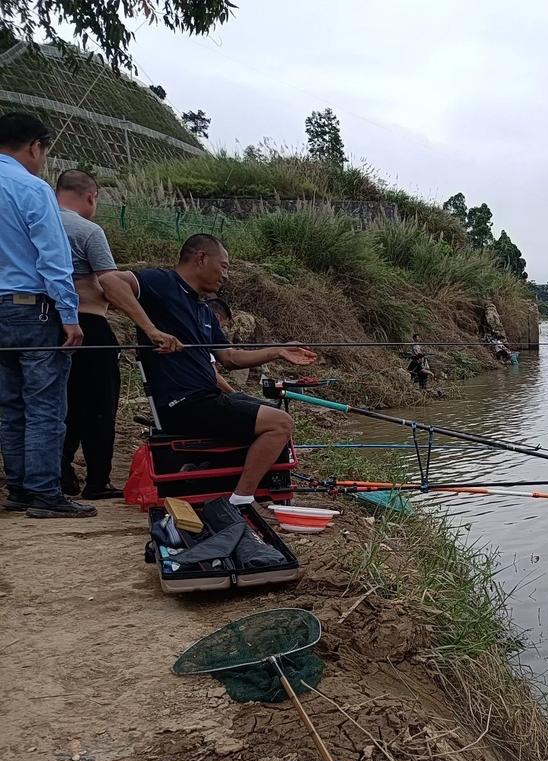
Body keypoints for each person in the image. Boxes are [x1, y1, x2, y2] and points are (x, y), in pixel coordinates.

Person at [99, 234, 317, 506]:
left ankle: (242, 486)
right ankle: (241, 499)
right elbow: (110, 281)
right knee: (280, 423)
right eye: (223, 266)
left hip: (206, 400)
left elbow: (231, 358)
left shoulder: (203, 311)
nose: (226, 275)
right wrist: (152, 331)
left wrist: (278, 350)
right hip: (183, 404)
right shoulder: (162, 282)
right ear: (201, 258)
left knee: (266, 409)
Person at [55, 169, 179, 498]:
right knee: (99, 404)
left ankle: (57, 472)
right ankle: (97, 480)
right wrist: (149, 328)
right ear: (91, 197)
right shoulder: (87, 230)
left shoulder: (35, 225)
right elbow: (111, 283)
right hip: (89, 325)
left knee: (59, 403)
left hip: (43, 325)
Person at [0, 112, 95, 518]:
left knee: (10, 406)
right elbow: (54, 259)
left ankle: (20, 488)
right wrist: (69, 315)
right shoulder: (32, 188)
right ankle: (44, 492)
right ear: (35, 146)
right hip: (33, 309)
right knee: (44, 405)